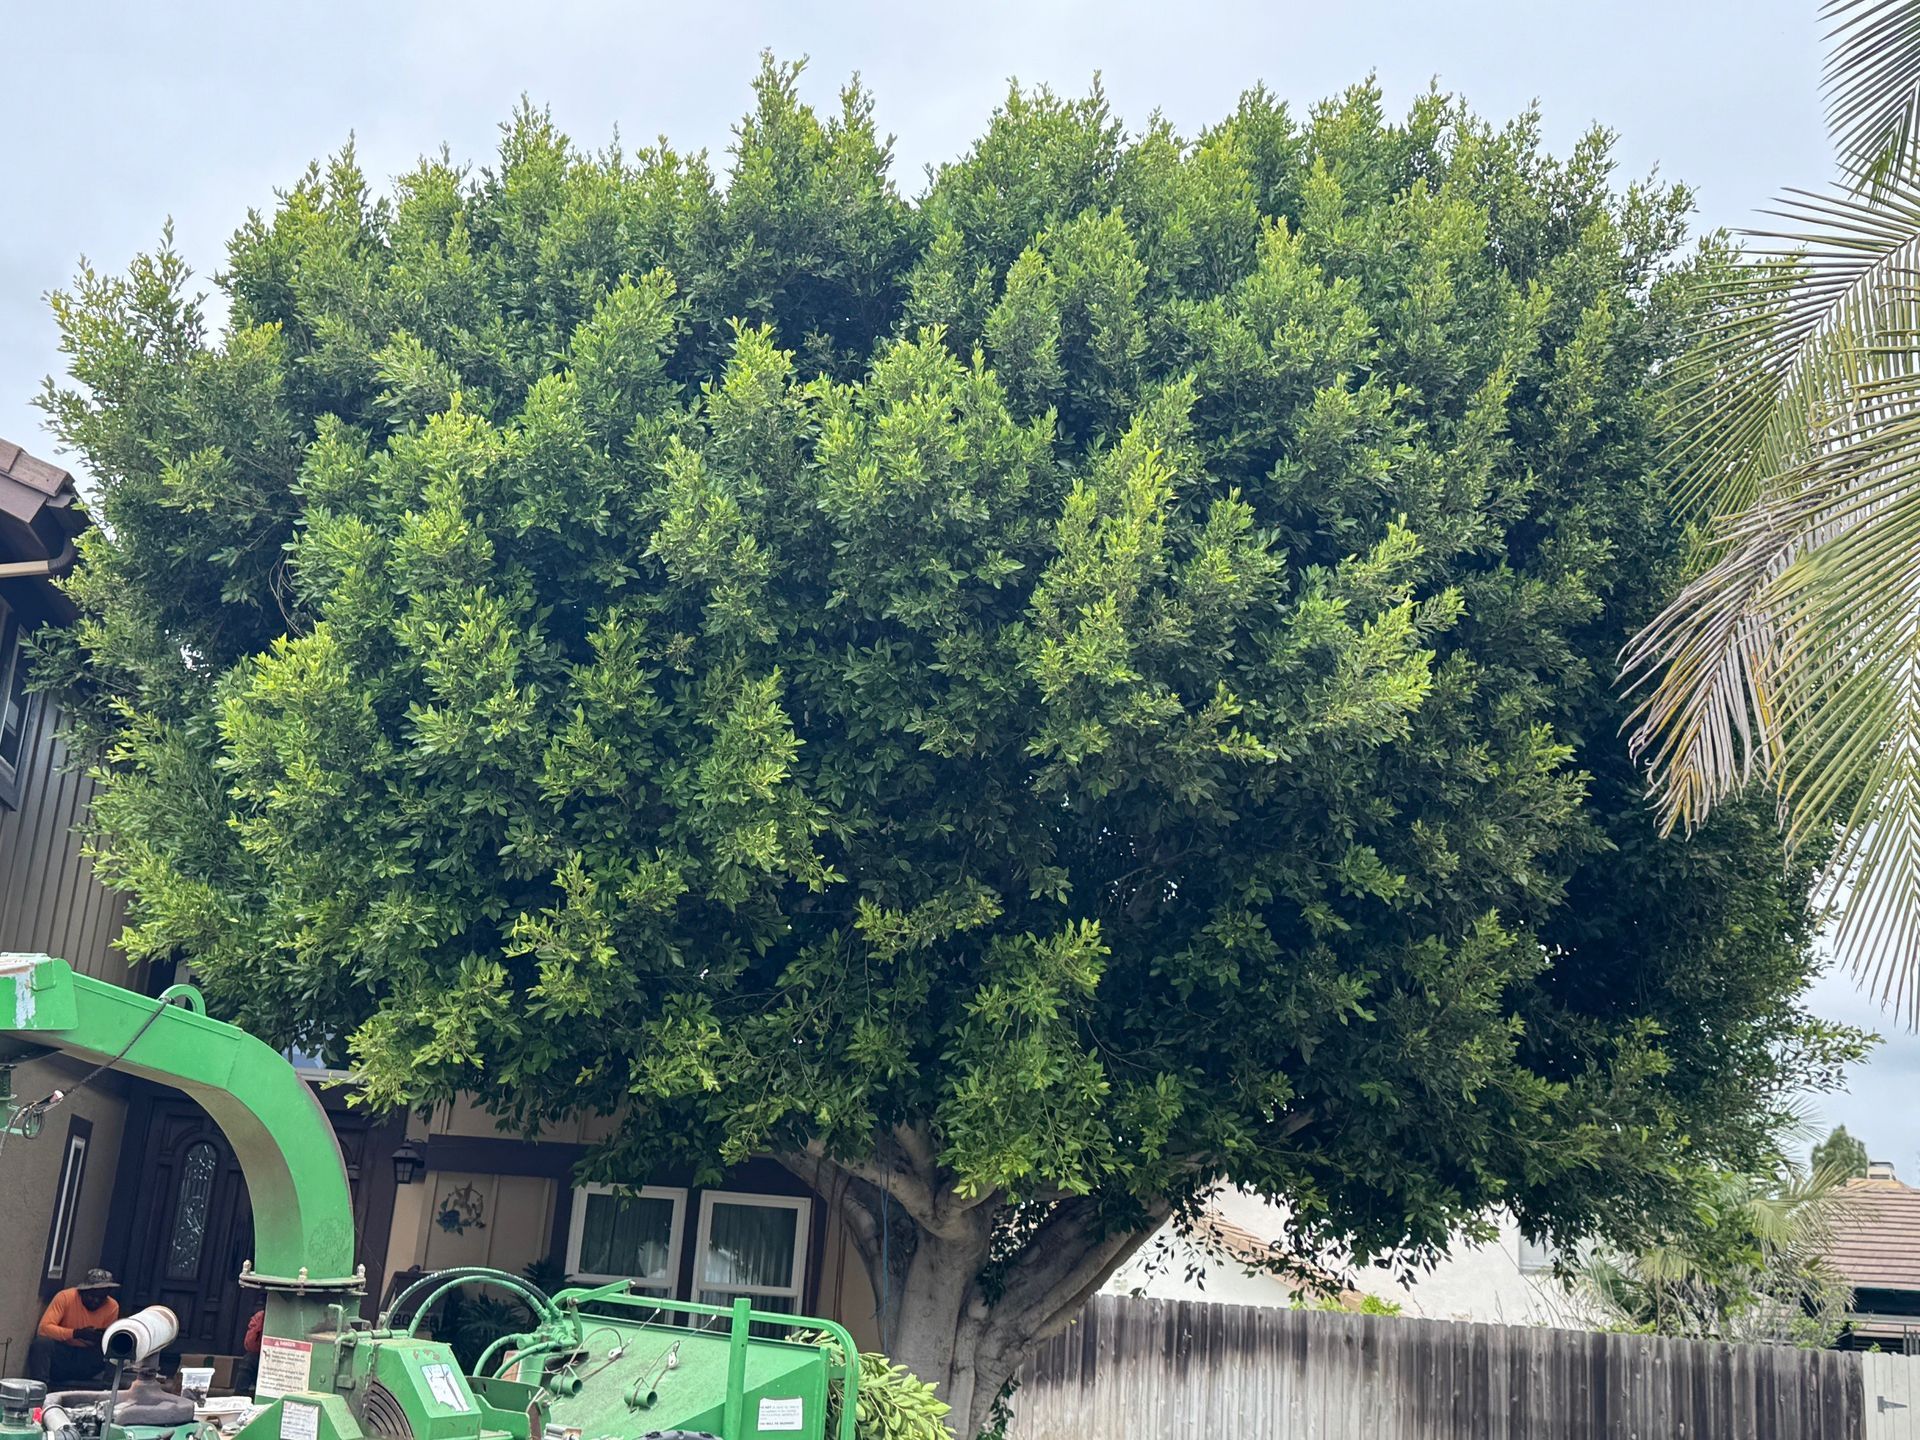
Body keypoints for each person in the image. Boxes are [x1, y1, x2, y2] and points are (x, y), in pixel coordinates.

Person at [37, 1267, 120, 1389]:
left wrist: (100, 1337)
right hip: (63, 1354)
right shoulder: (65, 1297)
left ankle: (107, 1390)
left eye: (101, 1298)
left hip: (87, 1359)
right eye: (92, 1296)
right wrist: (76, 1333)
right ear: (82, 1291)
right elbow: (44, 1329)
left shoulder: (112, 1306)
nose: (96, 1301)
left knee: (116, 1347)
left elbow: (110, 1340)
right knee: (41, 1343)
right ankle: (41, 1387)